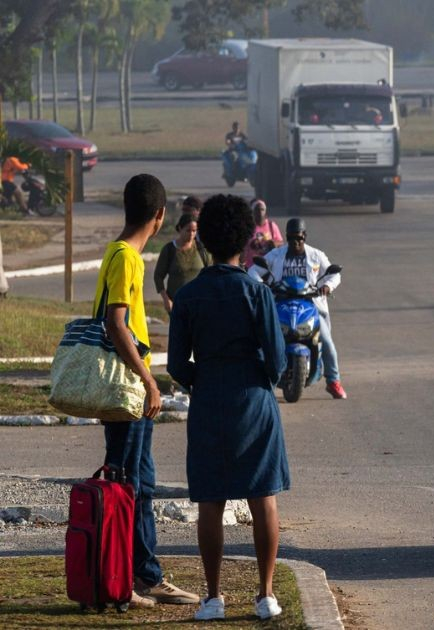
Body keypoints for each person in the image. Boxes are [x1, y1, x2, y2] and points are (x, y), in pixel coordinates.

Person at [167, 195, 289, 622]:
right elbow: (277, 360)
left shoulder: (188, 297)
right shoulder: (257, 293)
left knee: (211, 502)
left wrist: (204, 379)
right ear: (245, 240)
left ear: (207, 242)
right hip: (254, 399)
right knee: (263, 499)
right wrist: (257, 379)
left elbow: (179, 365)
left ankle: (214, 596)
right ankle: (266, 594)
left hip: (209, 400)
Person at [95, 174, 200, 608]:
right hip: (128, 389)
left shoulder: (122, 254)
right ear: (159, 217)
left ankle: (144, 574)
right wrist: (148, 379)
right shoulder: (127, 258)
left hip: (129, 389)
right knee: (125, 486)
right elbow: (116, 323)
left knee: (140, 483)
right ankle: (122, 581)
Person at [250, 218, 346, 399]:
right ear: (286, 237)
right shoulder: (276, 255)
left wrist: (327, 287)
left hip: (310, 306)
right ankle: (257, 380)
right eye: (291, 238)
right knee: (262, 339)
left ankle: (333, 381)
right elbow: (254, 271)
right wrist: (262, 286)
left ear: (305, 237)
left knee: (325, 340)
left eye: (299, 238)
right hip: (280, 305)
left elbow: (335, 275)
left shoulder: (316, 255)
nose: (295, 242)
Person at [154, 213, 211, 314]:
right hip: (177, 305)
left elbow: (211, 274)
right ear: (180, 228)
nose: (191, 234)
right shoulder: (169, 250)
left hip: (199, 304)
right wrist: (166, 299)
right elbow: (158, 276)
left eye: (194, 231)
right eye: (188, 230)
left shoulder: (201, 249)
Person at [242, 198, 283, 268]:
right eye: (257, 210)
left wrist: (273, 243)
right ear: (252, 211)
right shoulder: (247, 226)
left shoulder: (272, 226)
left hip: (269, 266)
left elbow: (281, 243)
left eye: (262, 209)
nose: (260, 212)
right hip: (251, 266)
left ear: (265, 211)